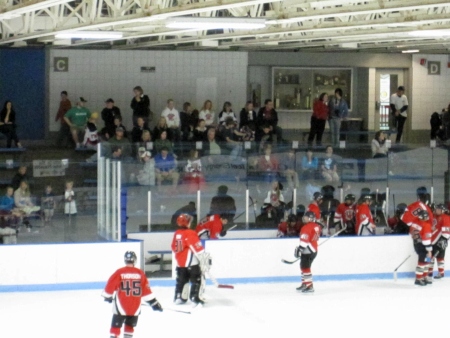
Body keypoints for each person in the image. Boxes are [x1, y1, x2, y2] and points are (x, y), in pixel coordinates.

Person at [101, 251, 163, 338]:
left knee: (115, 327)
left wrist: (107, 296)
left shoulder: (120, 272)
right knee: (129, 326)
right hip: (135, 306)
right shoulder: (140, 273)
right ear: (135, 260)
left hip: (121, 305)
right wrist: (154, 303)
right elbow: (146, 291)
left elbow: (111, 284)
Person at [172, 214, 207, 306]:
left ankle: (179, 297)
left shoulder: (177, 233)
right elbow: (197, 247)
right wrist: (204, 258)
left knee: (182, 279)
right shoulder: (190, 233)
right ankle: (195, 298)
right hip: (191, 262)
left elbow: (173, 247)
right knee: (196, 279)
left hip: (180, 262)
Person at [294, 211, 322, 293]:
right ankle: (305, 283)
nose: (304, 218)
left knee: (305, 267)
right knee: (303, 266)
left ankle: (309, 286)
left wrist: (300, 249)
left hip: (308, 250)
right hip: (314, 249)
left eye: (306, 217)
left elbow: (304, 240)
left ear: (310, 218)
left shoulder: (306, 227)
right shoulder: (316, 226)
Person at [410, 209, 432, 286]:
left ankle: (424, 276)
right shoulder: (426, 225)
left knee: (426, 260)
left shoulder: (414, 222)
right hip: (424, 245)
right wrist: (429, 250)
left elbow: (411, 233)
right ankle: (419, 278)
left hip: (417, 244)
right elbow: (426, 239)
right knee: (424, 261)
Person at [428, 204, 450, 279]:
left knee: (440, 257)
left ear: (443, 210)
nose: (437, 210)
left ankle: (441, 272)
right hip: (431, 240)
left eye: (438, 209)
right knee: (429, 256)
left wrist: (444, 240)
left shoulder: (446, 218)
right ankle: (429, 272)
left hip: (440, 240)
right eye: (436, 209)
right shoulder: (433, 216)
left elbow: (447, 231)